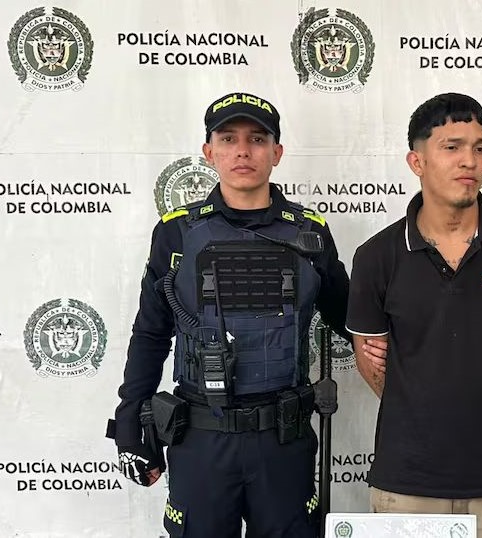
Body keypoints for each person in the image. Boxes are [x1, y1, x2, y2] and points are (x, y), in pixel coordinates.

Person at [106, 91, 385, 538]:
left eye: (257, 139)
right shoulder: (176, 232)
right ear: (208, 152)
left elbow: (353, 322)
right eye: (228, 139)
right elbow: (151, 334)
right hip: (201, 437)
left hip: (283, 439)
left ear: (277, 153)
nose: (242, 151)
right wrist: (128, 425)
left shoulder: (309, 233)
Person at [346, 93, 482, 537]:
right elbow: (372, 364)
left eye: (480, 148)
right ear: (417, 161)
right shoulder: (376, 256)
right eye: (452, 147)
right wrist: (424, 411)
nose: (470, 161)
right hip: (407, 480)